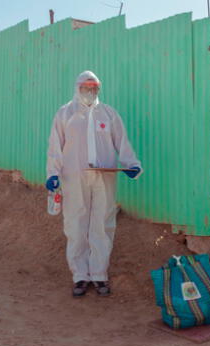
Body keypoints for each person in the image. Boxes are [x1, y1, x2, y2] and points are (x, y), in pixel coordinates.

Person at [46, 71, 142, 297]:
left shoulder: (108, 114)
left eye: (94, 88)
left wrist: (131, 164)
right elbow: (55, 146)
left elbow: (122, 142)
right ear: (77, 88)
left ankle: (99, 275)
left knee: (103, 222)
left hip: (104, 177)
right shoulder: (65, 113)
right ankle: (80, 275)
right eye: (86, 87)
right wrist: (53, 173)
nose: (90, 92)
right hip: (74, 177)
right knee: (75, 223)